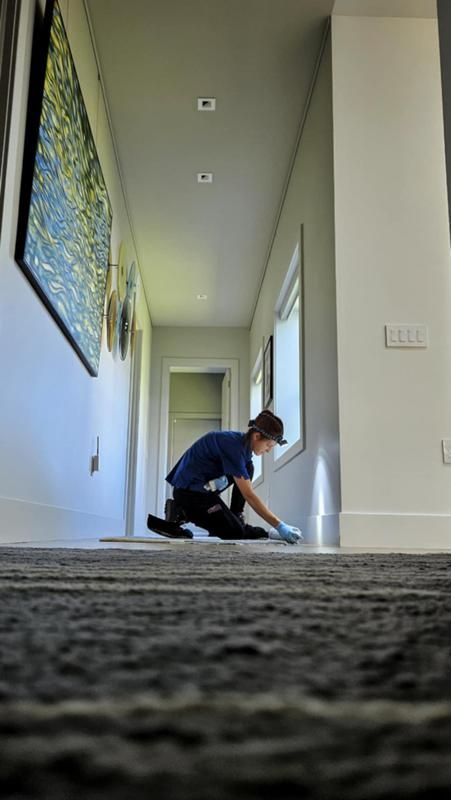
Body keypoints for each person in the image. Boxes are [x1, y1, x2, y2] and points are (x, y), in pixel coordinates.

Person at [146, 410, 302, 544]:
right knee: (234, 532)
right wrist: (279, 525)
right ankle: (181, 512)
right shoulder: (234, 447)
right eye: (268, 445)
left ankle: (236, 517)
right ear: (256, 436)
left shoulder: (242, 447)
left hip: (202, 490)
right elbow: (249, 495)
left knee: (248, 468)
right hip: (189, 493)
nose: (268, 450)